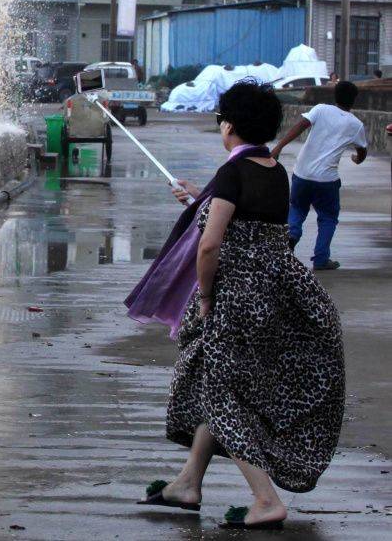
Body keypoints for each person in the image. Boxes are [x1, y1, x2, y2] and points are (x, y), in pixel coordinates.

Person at [138, 81, 344, 530]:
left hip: (236, 299)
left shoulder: (232, 173)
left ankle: (265, 499)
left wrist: (206, 295)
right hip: (274, 294)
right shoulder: (274, 168)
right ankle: (188, 483)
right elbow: (248, 222)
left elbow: (210, 247)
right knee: (222, 386)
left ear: (228, 125)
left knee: (224, 394)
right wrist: (201, 200)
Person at [269, 80, 368, 271]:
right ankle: (321, 259)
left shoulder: (321, 109)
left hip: (302, 173)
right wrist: (357, 159)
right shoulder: (356, 124)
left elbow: (300, 126)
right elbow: (362, 149)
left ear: (334, 95)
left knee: (297, 208)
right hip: (326, 180)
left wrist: (279, 146)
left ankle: (292, 236)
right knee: (328, 217)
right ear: (354, 100)